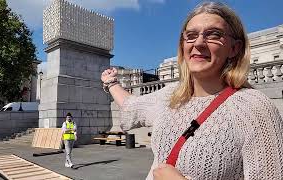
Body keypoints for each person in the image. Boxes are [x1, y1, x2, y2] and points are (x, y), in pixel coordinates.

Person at [101, 2, 283, 180]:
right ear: (183, 44)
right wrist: (111, 82)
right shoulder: (170, 96)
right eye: (191, 35)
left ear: (234, 48)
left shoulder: (255, 108)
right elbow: (130, 106)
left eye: (214, 35)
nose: (199, 43)